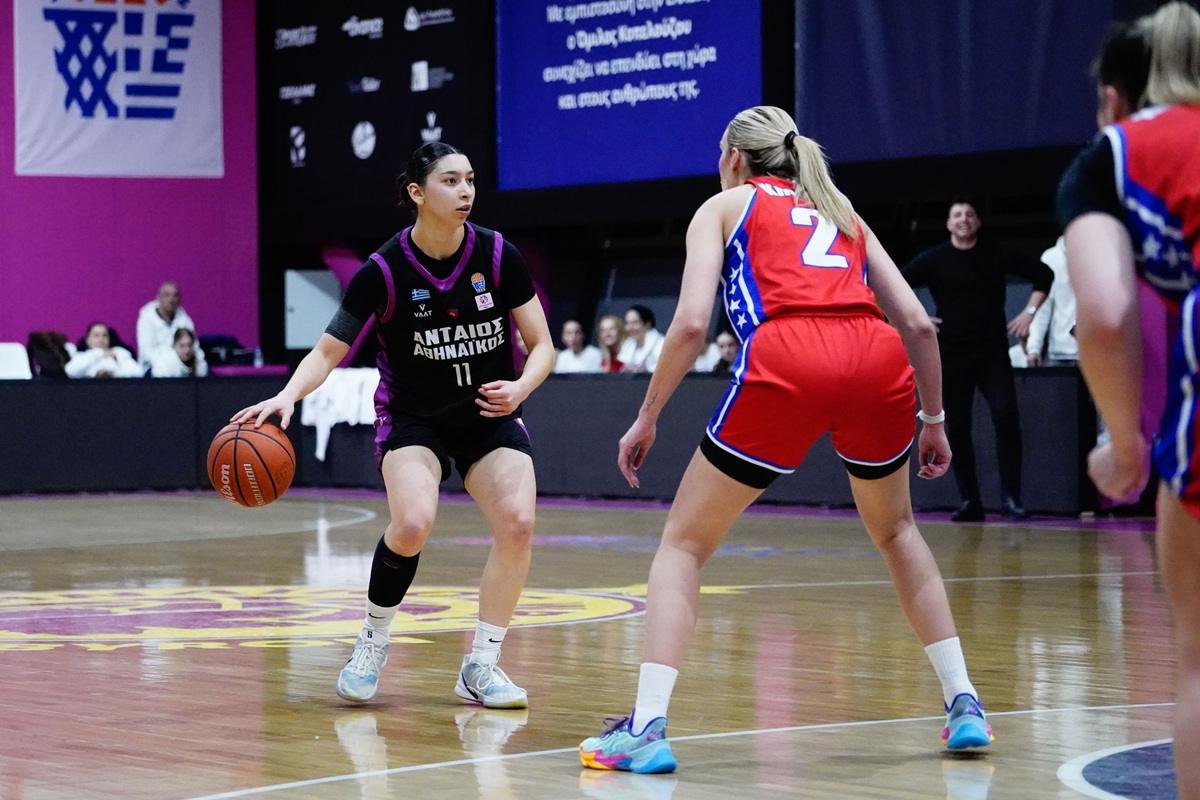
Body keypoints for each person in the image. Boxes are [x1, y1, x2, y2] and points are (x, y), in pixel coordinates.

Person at [579, 106, 991, 774]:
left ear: (734, 158)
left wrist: (647, 415)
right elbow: (917, 322)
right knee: (897, 533)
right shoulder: (839, 208)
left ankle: (647, 726)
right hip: (875, 355)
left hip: (788, 355)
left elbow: (690, 324)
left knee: (683, 546)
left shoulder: (724, 206)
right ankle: (964, 701)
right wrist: (935, 419)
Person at [232, 141, 554, 709]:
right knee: (411, 523)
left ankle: (481, 665)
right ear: (417, 193)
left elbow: (543, 344)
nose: (465, 191)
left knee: (519, 523)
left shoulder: (498, 254)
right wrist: (286, 396)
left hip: (488, 412)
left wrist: (522, 387)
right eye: (450, 181)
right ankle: (372, 640)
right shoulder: (382, 271)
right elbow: (327, 352)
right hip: (414, 416)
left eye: (470, 180)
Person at [1058, 5, 1200, 795]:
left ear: (1113, 98)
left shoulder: (1116, 155)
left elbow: (1107, 314)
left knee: (1198, 662)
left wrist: (1124, 443)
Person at [902, 200, 1054, 521]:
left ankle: (1011, 498)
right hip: (952, 354)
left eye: (969, 214)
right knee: (958, 427)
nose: (964, 220)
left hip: (992, 353)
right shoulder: (935, 258)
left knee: (1006, 417)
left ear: (978, 222)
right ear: (948, 223)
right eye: (957, 215)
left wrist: (1029, 313)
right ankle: (970, 500)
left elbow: (1044, 274)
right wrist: (918, 318)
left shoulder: (995, 253)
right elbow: (897, 284)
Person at [1025, 236, 1078, 366]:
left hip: (1096, 353)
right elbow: (1043, 307)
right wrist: (1034, 348)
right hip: (1059, 354)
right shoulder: (1052, 257)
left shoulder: (1102, 254)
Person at [136, 281, 200, 373]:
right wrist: (170, 359)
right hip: (154, 369)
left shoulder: (184, 319)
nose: (171, 299)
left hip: (184, 366)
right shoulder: (146, 319)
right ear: (158, 298)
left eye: (175, 296)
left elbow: (194, 345)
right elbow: (147, 352)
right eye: (167, 295)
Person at [65, 322, 142, 378]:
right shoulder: (80, 356)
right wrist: (99, 353)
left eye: (105, 335)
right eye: (96, 335)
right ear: (87, 340)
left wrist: (113, 374)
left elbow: (138, 372)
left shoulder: (118, 352)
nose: (101, 339)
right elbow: (70, 372)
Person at [617, 305, 665, 373]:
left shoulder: (662, 344)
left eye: (635, 322)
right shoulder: (627, 345)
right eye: (627, 323)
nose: (630, 328)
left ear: (647, 324)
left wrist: (647, 371)